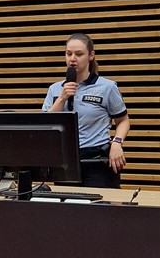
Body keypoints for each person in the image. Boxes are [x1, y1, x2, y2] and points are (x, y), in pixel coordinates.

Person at [42, 32, 129, 188]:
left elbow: (123, 120)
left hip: (96, 161)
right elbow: (45, 126)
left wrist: (117, 142)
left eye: (79, 54)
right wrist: (62, 98)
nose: (72, 58)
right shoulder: (55, 89)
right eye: (69, 54)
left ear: (91, 55)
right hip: (65, 161)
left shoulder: (107, 87)